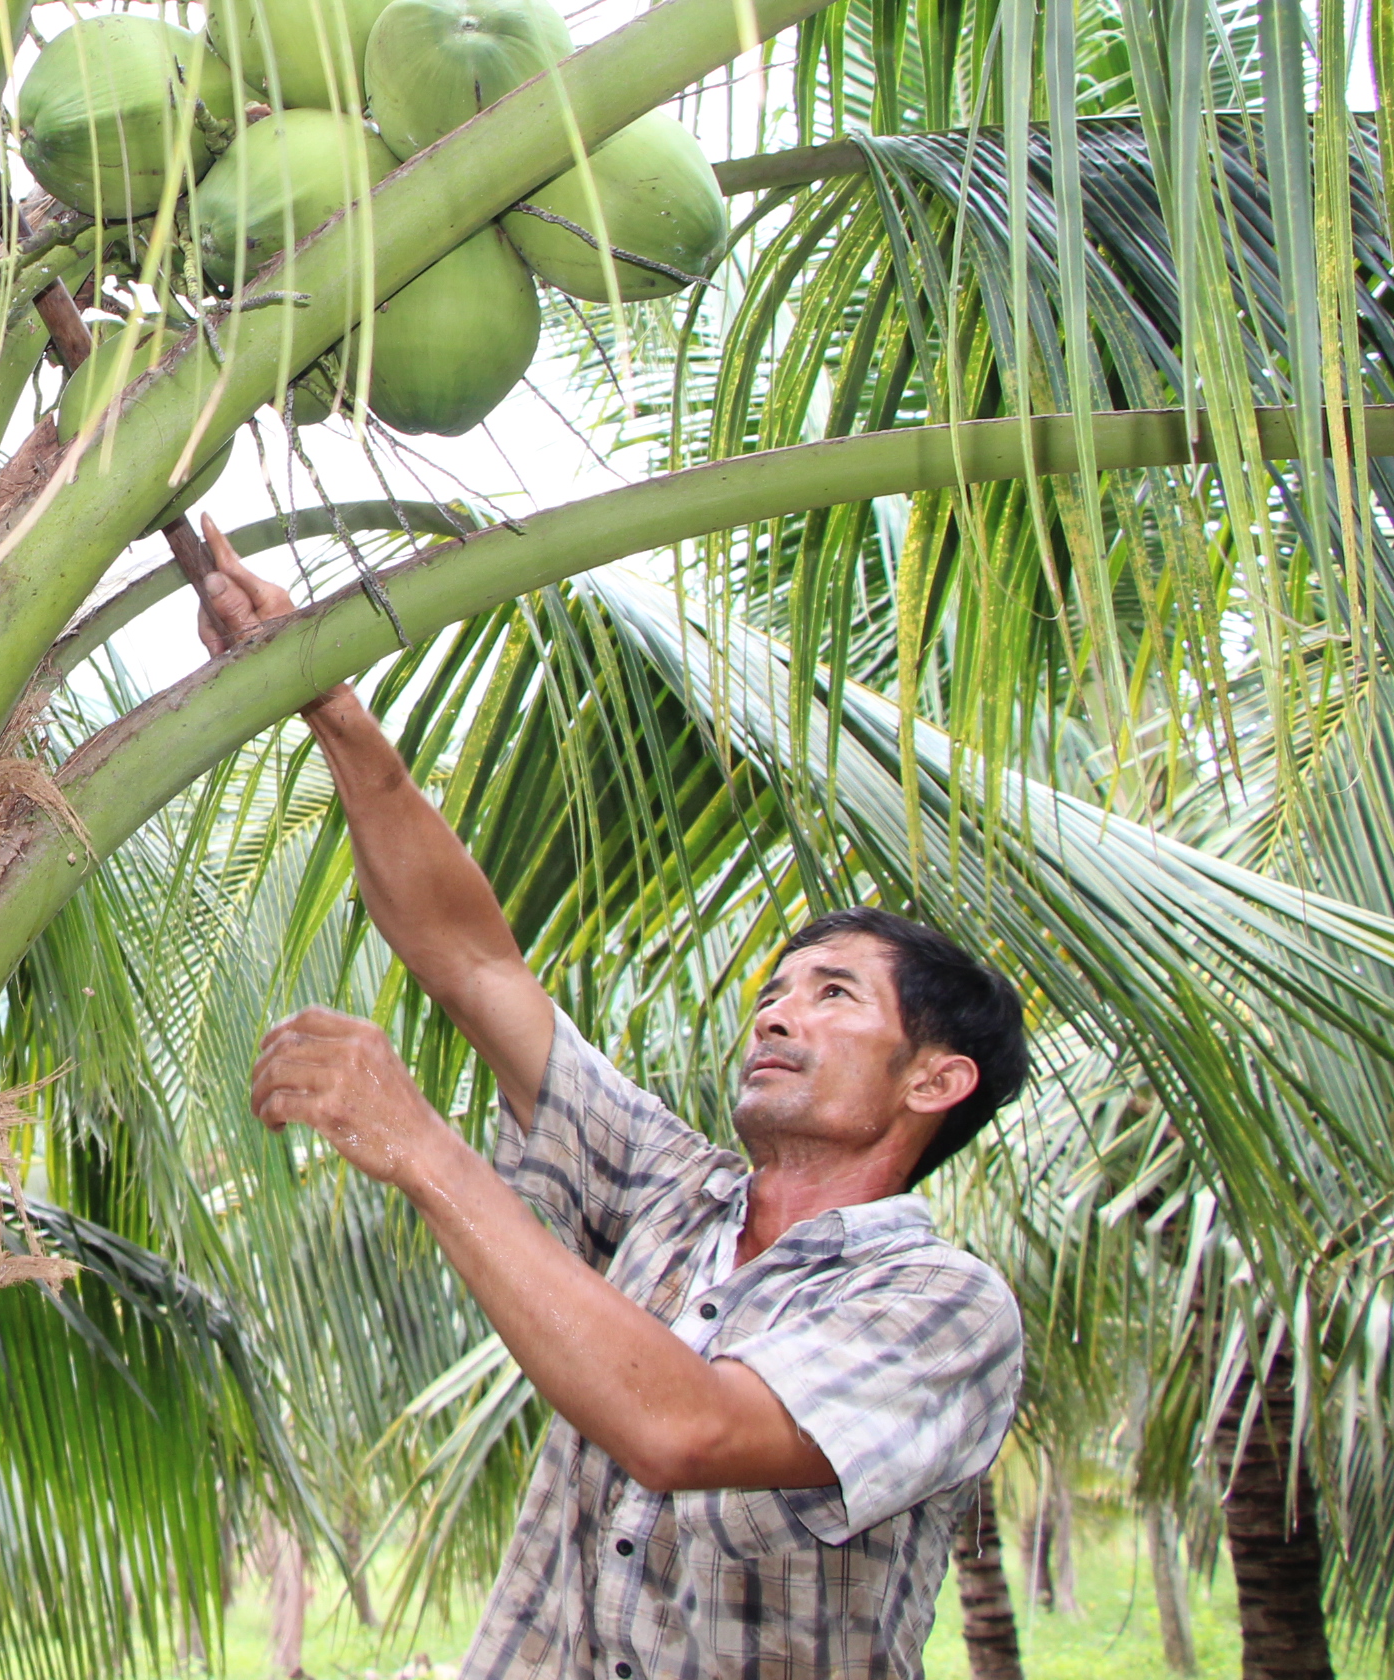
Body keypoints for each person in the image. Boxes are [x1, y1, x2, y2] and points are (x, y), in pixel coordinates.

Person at [194, 523, 1029, 1680]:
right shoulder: (671, 1192)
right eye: (775, 991)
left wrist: (427, 1151)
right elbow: (474, 963)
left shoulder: (945, 1309)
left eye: (833, 995)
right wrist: (322, 697)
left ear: (937, 1078)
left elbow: (690, 1429)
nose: (776, 1015)